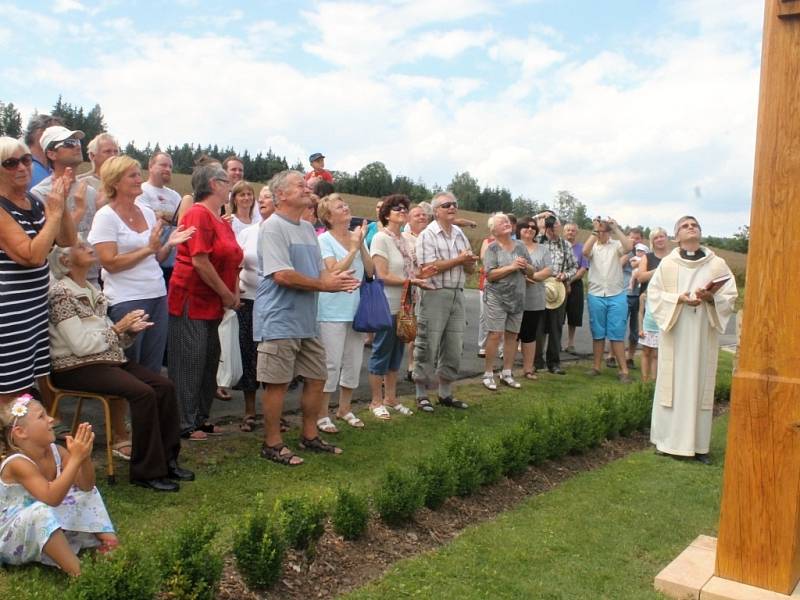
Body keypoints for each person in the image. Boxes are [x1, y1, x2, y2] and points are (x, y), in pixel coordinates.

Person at [47, 240, 193, 492]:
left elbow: (110, 339)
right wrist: (118, 329)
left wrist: (129, 332)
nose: (89, 247)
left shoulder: (92, 289)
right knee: (144, 393)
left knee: (164, 386)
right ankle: (146, 472)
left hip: (106, 361)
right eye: (81, 247)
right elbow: (81, 346)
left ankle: (168, 461)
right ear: (65, 261)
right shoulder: (61, 293)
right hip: (75, 368)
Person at [254, 170, 360, 466]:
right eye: (299, 185)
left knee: (317, 377)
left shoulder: (305, 229)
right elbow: (282, 275)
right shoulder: (273, 227)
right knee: (276, 383)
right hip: (278, 318)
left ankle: (309, 435)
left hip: (306, 319)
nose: (306, 188)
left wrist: (337, 279)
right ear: (281, 195)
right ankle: (272, 443)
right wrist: (325, 284)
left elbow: (319, 272)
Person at [88, 156, 193, 375]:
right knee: (129, 367)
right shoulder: (105, 217)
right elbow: (110, 263)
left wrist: (169, 245)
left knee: (152, 369)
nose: (139, 179)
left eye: (138, 174)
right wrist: (148, 248)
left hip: (156, 294)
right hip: (127, 300)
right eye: (133, 175)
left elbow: (154, 258)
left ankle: (148, 410)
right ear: (116, 182)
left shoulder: (146, 212)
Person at [648, 216, 737, 464]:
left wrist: (710, 298)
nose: (691, 227)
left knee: (699, 385)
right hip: (676, 331)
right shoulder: (667, 264)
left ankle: (699, 446)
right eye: (685, 225)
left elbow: (730, 296)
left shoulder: (717, 264)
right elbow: (654, 295)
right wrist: (679, 299)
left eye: (694, 225)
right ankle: (667, 442)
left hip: (702, 334)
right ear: (677, 236)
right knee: (673, 386)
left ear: (700, 232)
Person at [167, 161, 242, 441]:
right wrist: (226, 293)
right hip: (193, 297)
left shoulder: (219, 218)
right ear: (214, 184)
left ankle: (199, 416)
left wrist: (230, 292)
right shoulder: (198, 214)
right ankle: (183, 423)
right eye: (226, 181)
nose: (230, 186)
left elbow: (233, 258)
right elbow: (200, 260)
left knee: (209, 360)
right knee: (190, 360)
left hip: (213, 300)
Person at [0, 395, 116, 575]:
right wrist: (76, 458)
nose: (51, 419)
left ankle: (109, 544)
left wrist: (83, 458)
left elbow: (86, 486)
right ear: (21, 432)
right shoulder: (17, 463)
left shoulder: (57, 451)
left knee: (80, 490)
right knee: (40, 512)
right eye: (42, 417)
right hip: (12, 537)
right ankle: (79, 573)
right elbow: (51, 498)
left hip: (47, 524)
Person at [0, 136, 75, 403]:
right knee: (8, 389)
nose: (21, 167)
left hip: (33, 309)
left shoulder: (33, 202)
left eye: (25, 160)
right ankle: (10, 442)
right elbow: (31, 255)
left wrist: (61, 204)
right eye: (10, 163)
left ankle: (18, 440)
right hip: (9, 314)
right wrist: (53, 215)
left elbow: (67, 240)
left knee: (25, 385)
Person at [369, 194, 435, 419]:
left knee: (397, 353)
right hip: (387, 303)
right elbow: (383, 275)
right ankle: (376, 401)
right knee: (381, 351)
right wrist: (412, 281)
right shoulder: (380, 238)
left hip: (406, 303)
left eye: (404, 208)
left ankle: (391, 398)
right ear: (386, 214)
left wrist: (422, 275)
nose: (401, 211)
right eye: (396, 208)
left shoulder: (406, 240)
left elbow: (409, 272)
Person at [413, 191, 477, 411]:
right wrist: (459, 259)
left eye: (454, 204)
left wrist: (468, 262)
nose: (452, 208)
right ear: (436, 211)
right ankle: (421, 393)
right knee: (427, 343)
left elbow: (470, 268)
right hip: (435, 293)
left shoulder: (459, 233)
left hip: (457, 292)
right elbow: (427, 268)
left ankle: (445, 393)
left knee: (454, 344)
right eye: (446, 205)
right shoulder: (427, 235)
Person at [315, 194, 373, 432]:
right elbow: (333, 271)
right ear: (328, 216)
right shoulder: (324, 240)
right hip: (331, 310)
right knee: (331, 363)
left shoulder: (356, 237)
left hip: (356, 310)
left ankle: (345, 409)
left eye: (345, 204)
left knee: (353, 361)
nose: (346, 207)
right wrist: (351, 250)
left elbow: (370, 271)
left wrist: (360, 245)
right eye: (340, 206)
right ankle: (322, 413)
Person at [31, 126, 98, 284]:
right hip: (61, 282)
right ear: (51, 154)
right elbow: (51, 243)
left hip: (92, 280)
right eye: (68, 143)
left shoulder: (89, 191)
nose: (76, 145)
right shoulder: (40, 193)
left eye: (77, 141)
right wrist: (78, 210)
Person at [234, 187, 276, 432]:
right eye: (259, 198)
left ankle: (274, 411)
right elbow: (236, 263)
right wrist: (234, 293)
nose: (261, 201)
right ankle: (250, 411)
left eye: (267, 197)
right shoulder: (248, 233)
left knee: (274, 357)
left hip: (277, 305)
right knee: (248, 355)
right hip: (249, 301)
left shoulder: (286, 232)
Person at [481, 213, 537, 391]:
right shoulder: (492, 249)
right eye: (501, 222)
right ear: (494, 230)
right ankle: (488, 374)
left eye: (507, 221)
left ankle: (507, 373)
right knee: (495, 334)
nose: (506, 223)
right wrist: (511, 267)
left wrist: (525, 266)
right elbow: (489, 275)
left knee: (512, 336)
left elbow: (532, 272)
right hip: (496, 297)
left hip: (517, 297)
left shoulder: (520, 246)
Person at [583, 217, 634, 382]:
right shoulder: (593, 246)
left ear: (609, 232)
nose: (601, 234)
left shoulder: (616, 245)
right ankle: (596, 367)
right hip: (596, 294)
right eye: (599, 231)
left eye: (604, 231)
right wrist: (595, 230)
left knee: (617, 333)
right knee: (597, 333)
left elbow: (629, 246)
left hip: (616, 294)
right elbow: (584, 252)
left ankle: (623, 371)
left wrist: (615, 227)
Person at [534, 211, 577, 374]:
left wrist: (565, 275)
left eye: (555, 225)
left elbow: (574, 266)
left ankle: (554, 363)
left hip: (558, 289)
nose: (553, 228)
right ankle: (536, 361)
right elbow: (524, 228)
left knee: (556, 327)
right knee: (537, 327)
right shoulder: (537, 241)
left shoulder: (565, 245)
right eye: (550, 225)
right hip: (540, 287)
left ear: (560, 227)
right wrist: (539, 217)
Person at [136, 152, 183, 284]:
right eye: (163, 165)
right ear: (150, 166)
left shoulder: (175, 196)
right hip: (150, 260)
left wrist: (162, 216)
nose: (168, 169)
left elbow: (183, 221)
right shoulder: (141, 191)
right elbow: (149, 218)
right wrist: (172, 218)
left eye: (170, 167)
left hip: (173, 262)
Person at [517, 217, 552, 380]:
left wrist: (533, 277)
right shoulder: (513, 246)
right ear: (519, 229)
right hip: (513, 297)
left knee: (529, 334)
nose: (530, 229)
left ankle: (528, 368)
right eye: (526, 226)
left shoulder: (543, 249)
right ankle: (507, 368)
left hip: (534, 298)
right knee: (510, 334)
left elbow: (548, 270)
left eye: (533, 227)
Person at [636, 227, 670, 382]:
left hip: (667, 303)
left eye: (662, 236)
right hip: (648, 301)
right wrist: (658, 270)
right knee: (647, 349)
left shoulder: (673, 258)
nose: (660, 240)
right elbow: (640, 277)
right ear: (652, 241)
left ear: (666, 238)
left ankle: (658, 380)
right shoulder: (647, 257)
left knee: (660, 351)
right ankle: (645, 379)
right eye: (656, 237)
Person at [562, 222, 589, 353]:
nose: (570, 233)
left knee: (573, 315)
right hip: (558, 284)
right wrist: (563, 282)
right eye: (568, 230)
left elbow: (583, 269)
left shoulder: (582, 249)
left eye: (573, 231)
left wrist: (569, 281)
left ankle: (570, 343)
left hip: (575, 284)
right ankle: (555, 343)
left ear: (576, 233)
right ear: (564, 232)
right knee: (557, 316)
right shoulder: (558, 246)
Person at [621, 227, 644, 368]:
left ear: (641, 239)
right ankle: (612, 355)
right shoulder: (625, 251)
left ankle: (630, 357)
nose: (635, 241)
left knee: (635, 329)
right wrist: (629, 251)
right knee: (619, 326)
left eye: (637, 238)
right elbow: (619, 265)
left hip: (638, 295)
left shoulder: (645, 254)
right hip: (624, 293)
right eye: (632, 238)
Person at [23, 114, 63, 190]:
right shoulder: (21, 166)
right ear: (39, 133)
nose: (62, 138)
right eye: (56, 132)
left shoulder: (54, 168)